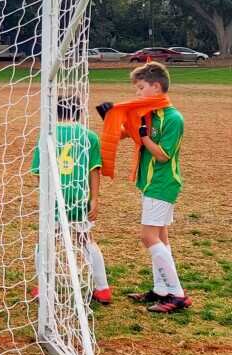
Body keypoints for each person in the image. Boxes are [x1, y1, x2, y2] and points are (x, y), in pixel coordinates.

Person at [97, 61, 190, 313]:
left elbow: (162, 155)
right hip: (150, 183)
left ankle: (178, 294)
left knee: (147, 237)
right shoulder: (148, 113)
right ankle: (162, 289)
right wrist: (110, 117)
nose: (137, 93)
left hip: (163, 184)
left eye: (140, 88)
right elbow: (127, 133)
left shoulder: (173, 118)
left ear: (156, 87)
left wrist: (146, 136)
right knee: (160, 236)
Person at [29, 96, 110, 304]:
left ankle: (43, 288)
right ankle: (102, 289)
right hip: (78, 198)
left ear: (55, 112)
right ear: (80, 112)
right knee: (85, 240)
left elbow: (38, 172)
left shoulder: (47, 136)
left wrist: (46, 196)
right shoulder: (89, 136)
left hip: (54, 198)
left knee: (46, 242)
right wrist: (94, 199)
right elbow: (95, 171)